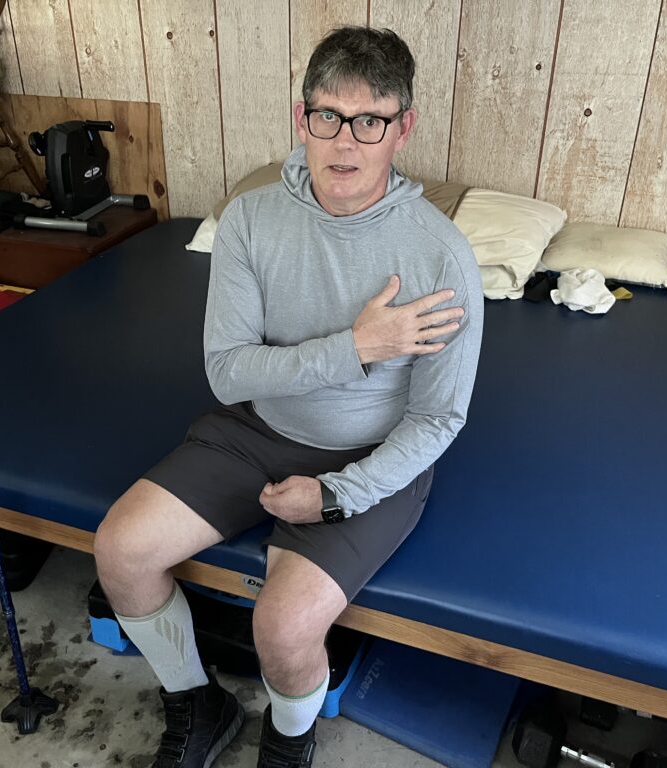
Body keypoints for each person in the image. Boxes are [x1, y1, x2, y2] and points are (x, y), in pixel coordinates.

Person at [94, 25, 484, 768]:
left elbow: (438, 418)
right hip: (255, 430)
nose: (345, 142)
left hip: (373, 452)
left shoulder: (441, 256)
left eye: (370, 122)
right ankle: (196, 703)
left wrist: (337, 494)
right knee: (121, 550)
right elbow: (228, 373)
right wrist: (357, 348)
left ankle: (288, 740)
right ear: (301, 118)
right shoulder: (250, 219)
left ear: (403, 129)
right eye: (328, 116)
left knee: (283, 626)